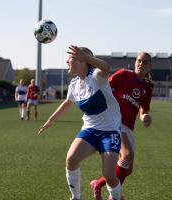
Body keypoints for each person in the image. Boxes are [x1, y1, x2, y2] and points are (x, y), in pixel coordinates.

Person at [38, 45, 122, 200]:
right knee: (71, 159)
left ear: (83, 60)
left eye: (70, 58)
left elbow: (106, 67)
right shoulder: (74, 84)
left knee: (109, 175)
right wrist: (51, 120)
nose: (66, 61)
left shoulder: (97, 77)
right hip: (90, 130)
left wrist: (88, 57)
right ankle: (76, 197)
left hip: (109, 131)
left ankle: (117, 197)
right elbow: (67, 103)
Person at [90, 52, 153, 200]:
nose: (141, 64)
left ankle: (97, 184)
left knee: (127, 169)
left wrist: (145, 116)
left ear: (149, 66)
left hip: (128, 127)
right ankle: (114, 197)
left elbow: (144, 108)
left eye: (145, 62)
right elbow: (105, 88)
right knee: (127, 154)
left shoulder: (147, 87)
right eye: (139, 61)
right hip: (114, 122)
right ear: (135, 62)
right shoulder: (124, 75)